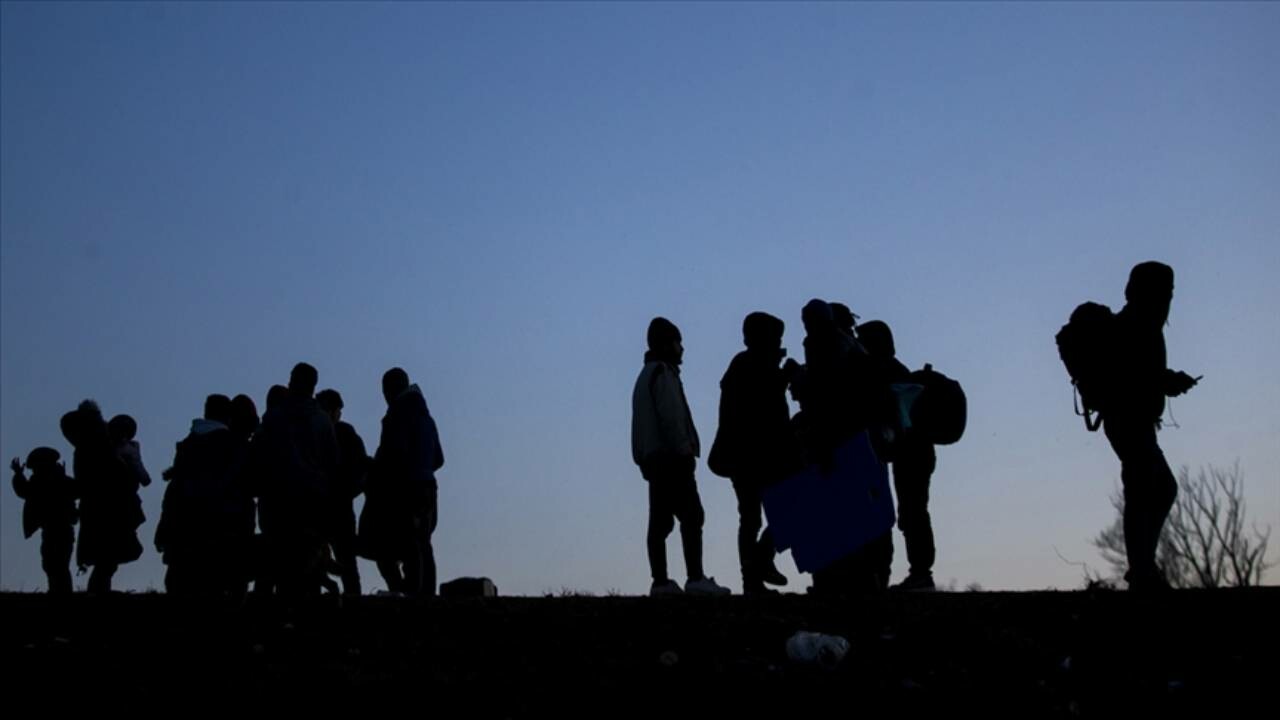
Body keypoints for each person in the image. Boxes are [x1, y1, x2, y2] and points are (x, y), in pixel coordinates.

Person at [632, 317, 729, 597]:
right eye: (678, 342)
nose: (682, 348)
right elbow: (672, 416)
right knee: (692, 515)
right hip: (671, 458)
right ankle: (695, 578)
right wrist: (684, 448)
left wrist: (642, 458)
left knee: (660, 522)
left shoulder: (645, 376)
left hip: (653, 460)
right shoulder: (662, 373)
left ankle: (660, 582)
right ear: (666, 343)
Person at [10, 448, 78, 594]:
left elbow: (23, 490)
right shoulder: (62, 481)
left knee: (54, 564)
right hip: (60, 530)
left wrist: (18, 474)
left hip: (56, 530)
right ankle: (59, 591)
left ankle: (59, 592)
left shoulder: (42, 482)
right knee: (56, 565)